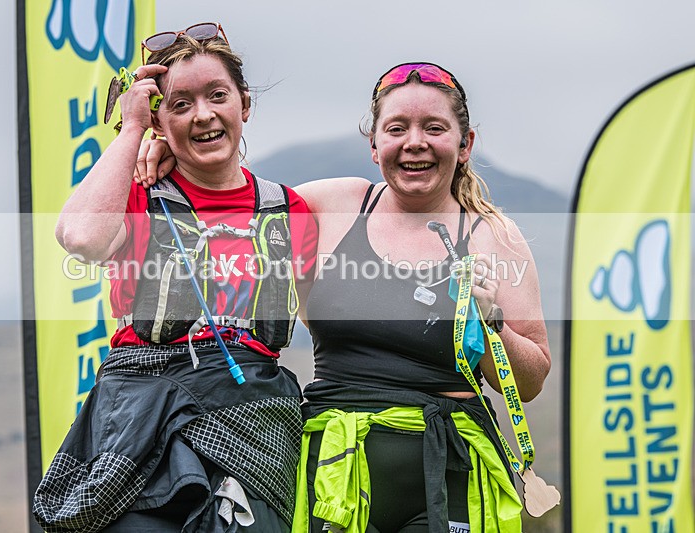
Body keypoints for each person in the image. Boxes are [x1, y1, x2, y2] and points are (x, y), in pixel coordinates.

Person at [138, 62, 551, 532]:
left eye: (434, 128)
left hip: (449, 470)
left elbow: (531, 381)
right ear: (374, 145)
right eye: (397, 128)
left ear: (465, 144)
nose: (415, 142)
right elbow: (229, 198)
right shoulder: (332, 206)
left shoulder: (494, 236)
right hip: (334, 470)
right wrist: (174, 153)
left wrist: (491, 322)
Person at [32, 23, 317, 533]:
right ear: (160, 122)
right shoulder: (139, 197)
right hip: (142, 420)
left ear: (244, 105)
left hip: (255, 426)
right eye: (180, 104)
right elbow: (81, 237)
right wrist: (131, 131)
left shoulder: (289, 209)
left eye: (217, 96)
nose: (203, 114)